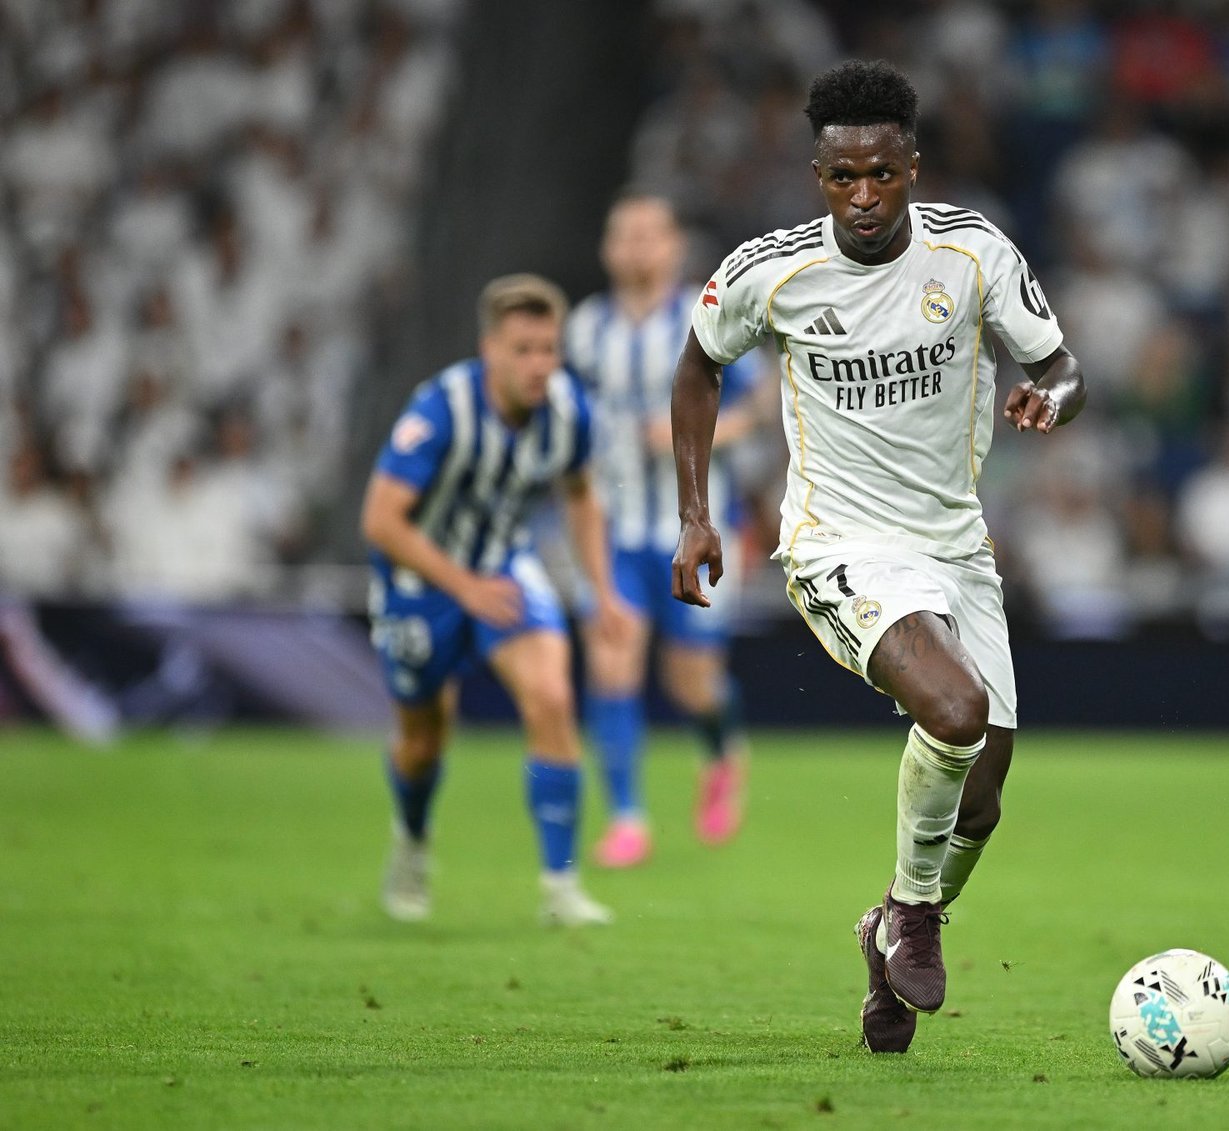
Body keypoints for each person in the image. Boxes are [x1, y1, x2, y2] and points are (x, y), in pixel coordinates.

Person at [670, 60, 1085, 1052]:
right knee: (956, 708)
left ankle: (888, 942)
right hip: (840, 543)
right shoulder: (771, 270)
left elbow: (1062, 366)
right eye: (843, 178)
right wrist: (694, 514)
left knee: (981, 798)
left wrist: (1051, 398)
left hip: (956, 544)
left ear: (913, 168)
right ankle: (913, 913)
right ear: (818, 176)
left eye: (882, 175)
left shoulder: (972, 252)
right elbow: (696, 367)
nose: (863, 197)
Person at [361, 274, 629, 927]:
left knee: (552, 698)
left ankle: (560, 887)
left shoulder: (568, 410)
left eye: (548, 349)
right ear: (490, 350)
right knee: (424, 739)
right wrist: (464, 587)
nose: (539, 364)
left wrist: (603, 589)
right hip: (421, 583)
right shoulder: (440, 410)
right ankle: (411, 841)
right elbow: (381, 521)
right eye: (523, 350)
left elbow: (580, 495)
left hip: (505, 568)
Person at [565, 194, 766, 867]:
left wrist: (697, 432)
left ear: (675, 246)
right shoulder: (586, 329)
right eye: (624, 234)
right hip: (613, 528)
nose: (636, 246)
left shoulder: (704, 316)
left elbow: (759, 403)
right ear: (607, 247)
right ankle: (627, 817)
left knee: (690, 681)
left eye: (649, 234)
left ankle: (722, 751)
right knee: (611, 659)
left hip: (696, 526)